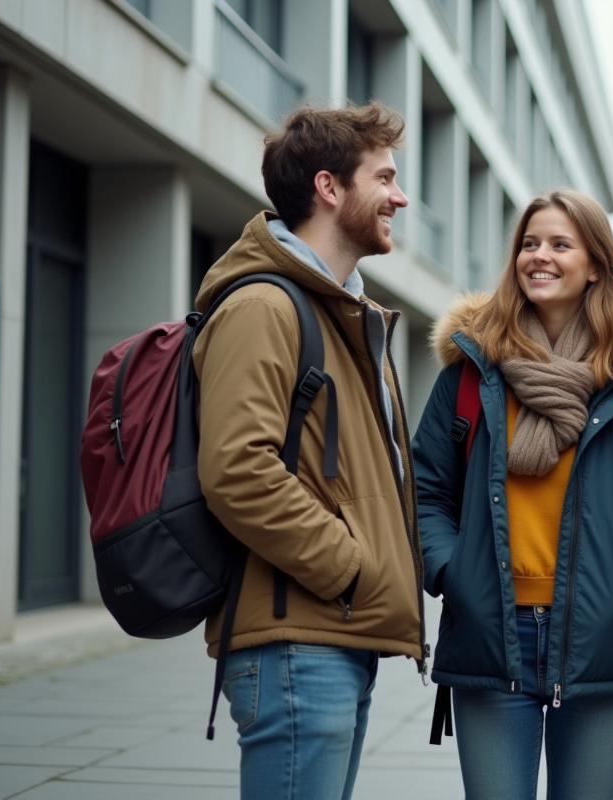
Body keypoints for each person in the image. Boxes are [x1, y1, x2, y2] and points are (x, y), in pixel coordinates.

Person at [412, 189, 613, 800]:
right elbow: (424, 491)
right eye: (529, 244)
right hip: (490, 633)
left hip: (598, 637)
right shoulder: (470, 373)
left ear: (595, 264)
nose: (539, 256)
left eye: (560, 244)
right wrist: (450, 570)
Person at [193, 102, 425, 800]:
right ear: (330, 187)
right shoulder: (265, 307)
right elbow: (237, 470)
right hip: (300, 637)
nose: (400, 196)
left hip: (330, 634)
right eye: (384, 177)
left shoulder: (341, 310)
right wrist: (350, 570)